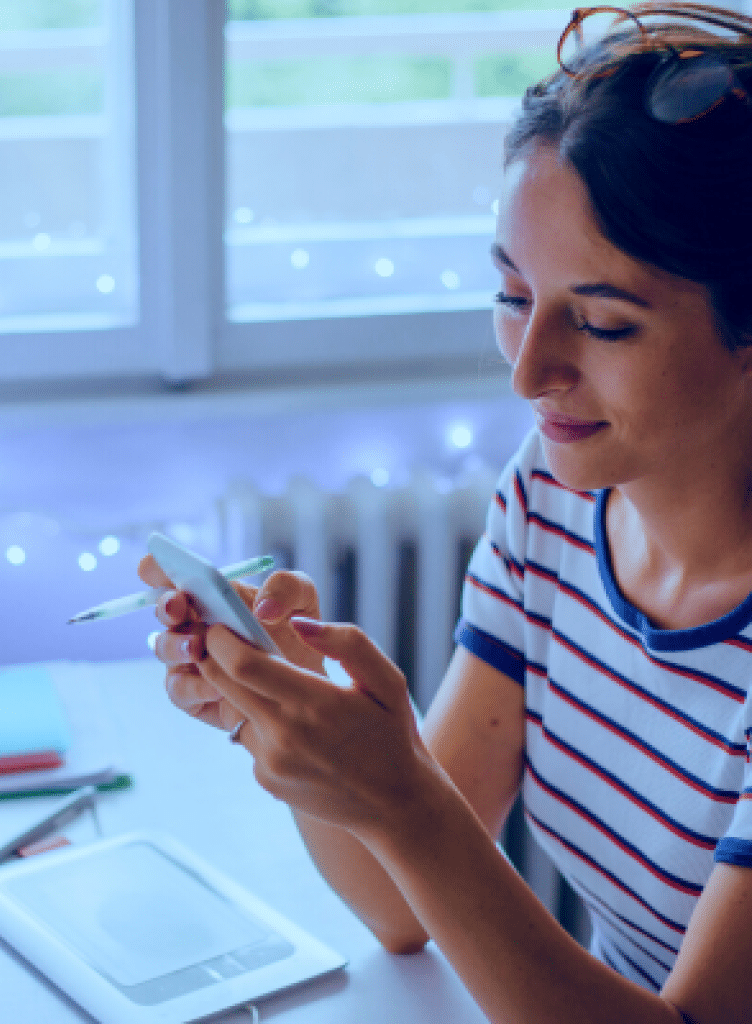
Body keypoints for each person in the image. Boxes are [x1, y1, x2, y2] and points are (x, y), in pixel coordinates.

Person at [138, 4, 752, 1021]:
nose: (528, 373)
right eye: (512, 296)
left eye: (601, 322)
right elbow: (395, 904)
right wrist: (287, 711)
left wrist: (406, 800)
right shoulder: (554, 497)